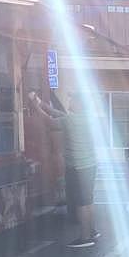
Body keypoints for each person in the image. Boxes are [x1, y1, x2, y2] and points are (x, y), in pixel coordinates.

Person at [29, 91, 99, 248]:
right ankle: (92, 231)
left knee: (81, 203)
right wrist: (41, 103)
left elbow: (50, 122)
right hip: (90, 165)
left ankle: (85, 237)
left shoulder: (70, 120)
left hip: (78, 167)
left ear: (79, 104)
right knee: (88, 201)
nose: (69, 103)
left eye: (72, 100)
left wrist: (36, 107)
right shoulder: (86, 117)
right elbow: (58, 114)